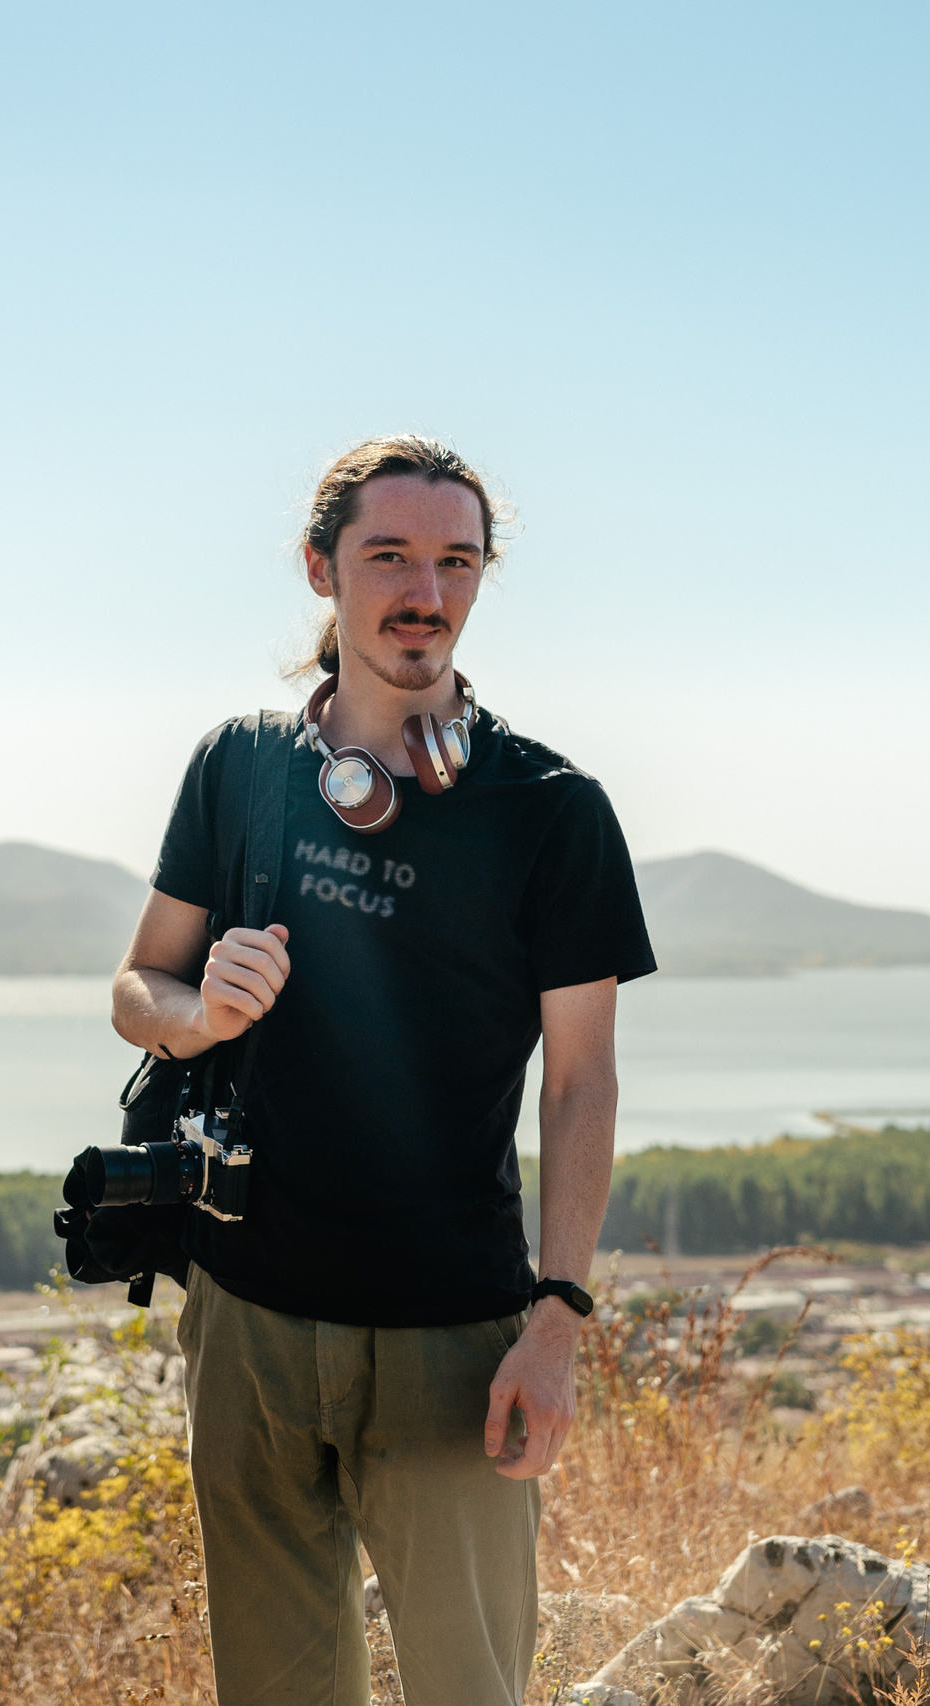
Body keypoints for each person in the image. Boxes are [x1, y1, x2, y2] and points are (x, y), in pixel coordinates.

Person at [110, 435, 654, 1705]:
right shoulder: (237, 766)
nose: (427, 589)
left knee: (470, 1688)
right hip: (243, 1320)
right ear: (320, 569)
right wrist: (197, 1015)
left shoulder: (550, 807)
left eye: (456, 559)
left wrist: (557, 1320)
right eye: (390, 555)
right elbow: (138, 986)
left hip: (448, 1337)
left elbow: (582, 1083)